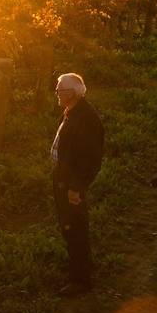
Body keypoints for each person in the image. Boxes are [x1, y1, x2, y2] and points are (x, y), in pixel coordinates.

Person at [50, 73, 105, 296]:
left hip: (72, 185)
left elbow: (90, 159)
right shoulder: (73, 112)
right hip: (64, 180)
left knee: (75, 229)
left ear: (72, 93)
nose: (56, 93)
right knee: (70, 227)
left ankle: (80, 281)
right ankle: (81, 266)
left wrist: (76, 187)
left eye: (60, 90)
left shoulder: (87, 119)